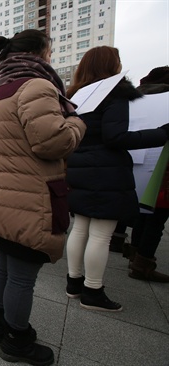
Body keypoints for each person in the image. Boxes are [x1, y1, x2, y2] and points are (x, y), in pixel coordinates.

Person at [0, 30, 86, 365]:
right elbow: (51, 143)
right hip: (28, 199)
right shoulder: (37, 86)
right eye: (51, 50)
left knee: (4, 266)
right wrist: (77, 123)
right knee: (22, 278)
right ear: (41, 52)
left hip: (1, 199)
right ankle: (16, 340)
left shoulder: (0, 92)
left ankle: (0, 326)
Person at [65, 48, 169, 311]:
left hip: (79, 167)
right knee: (100, 234)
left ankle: (74, 284)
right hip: (107, 170)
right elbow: (115, 137)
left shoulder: (77, 95)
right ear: (111, 66)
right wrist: (160, 133)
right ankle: (93, 290)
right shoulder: (115, 92)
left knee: (80, 227)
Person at [125, 66, 169, 283]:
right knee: (157, 215)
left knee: (143, 209)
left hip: (134, 153)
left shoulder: (136, 96)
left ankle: (135, 253)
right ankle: (142, 262)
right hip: (161, 159)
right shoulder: (164, 98)